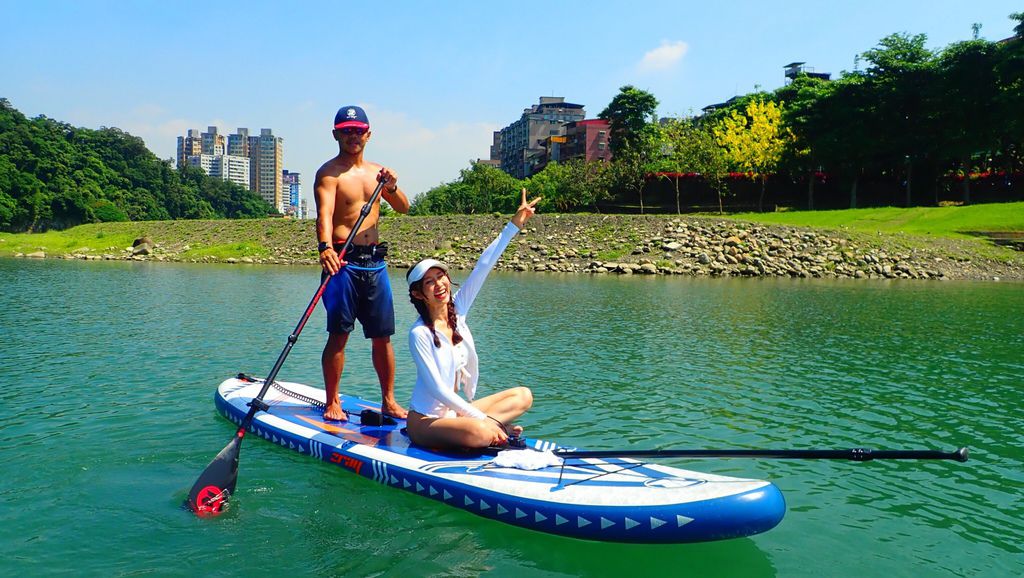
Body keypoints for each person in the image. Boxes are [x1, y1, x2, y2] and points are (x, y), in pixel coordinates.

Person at [405, 188, 540, 449]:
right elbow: (437, 391)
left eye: (441, 277)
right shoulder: (419, 334)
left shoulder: (459, 310)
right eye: (429, 283)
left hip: (456, 414)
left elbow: (483, 266)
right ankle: (490, 430)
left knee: (523, 395)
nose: (440, 285)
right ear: (419, 294)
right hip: (426, 421)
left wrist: (514, 225)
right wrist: (482, 420)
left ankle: (488, 429)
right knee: (479, 433)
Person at [315, 104, 410, 421]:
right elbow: (325, 215)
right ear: (336, 135)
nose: (352, 136)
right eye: (346, 131)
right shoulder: (329, 173)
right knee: (339, 335)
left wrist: (392, 186)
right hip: (342, 262)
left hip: (375, 264)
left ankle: (389, 400)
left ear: (368, 134)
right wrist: (325, 247)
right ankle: (333, 401)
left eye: (358, 131)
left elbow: (404, 207)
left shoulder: (378, 173)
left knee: (383, 336)